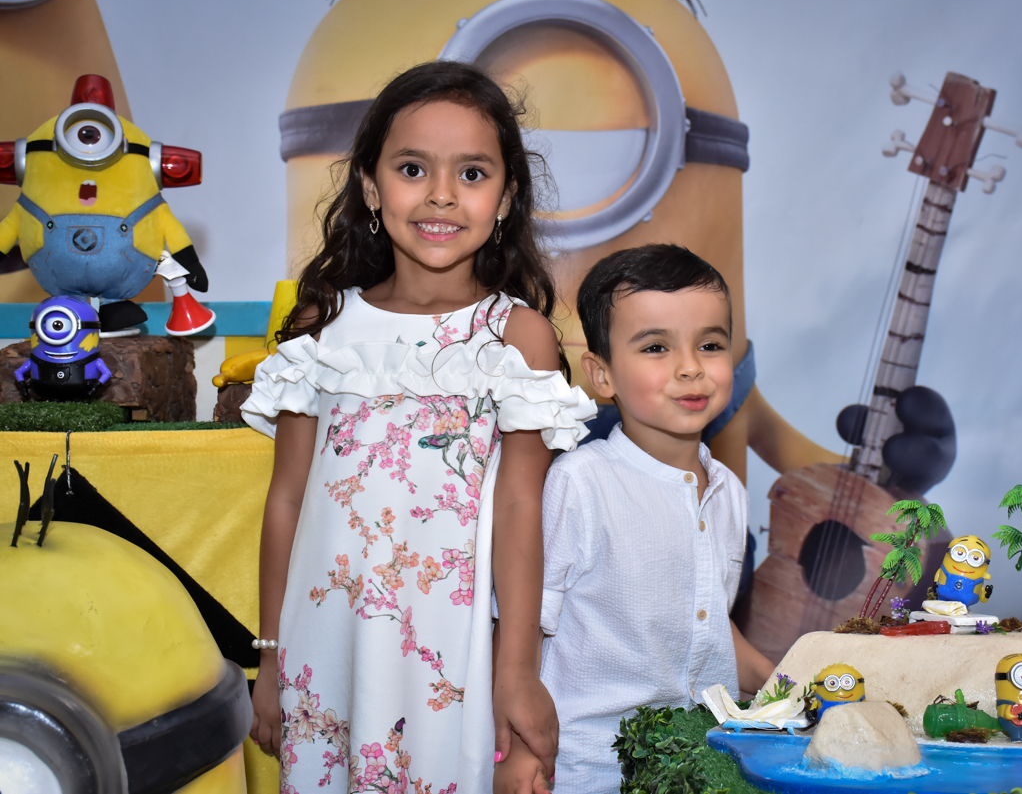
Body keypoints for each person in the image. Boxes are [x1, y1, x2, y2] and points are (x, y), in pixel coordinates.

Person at [241, 61, 594, 794]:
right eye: (412, 168)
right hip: (324, 650)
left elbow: (522, 507)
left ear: (507, 197)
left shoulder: (517, 337)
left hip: (446, 660)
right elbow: (287, 500)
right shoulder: (322, 328)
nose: (440, 194)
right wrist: (271, 658)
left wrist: (517, 671)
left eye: (471, 172)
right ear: (371, 188)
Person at [536, 244, 776, 792]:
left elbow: (708, 625)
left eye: (710, 344)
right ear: (602, 376)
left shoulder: (731, 493)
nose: (691, 367)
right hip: (587, 769)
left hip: (703, 765)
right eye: (656, 347)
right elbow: (523, 626)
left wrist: (789, 685)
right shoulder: (580, 481)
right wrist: (519, 747)